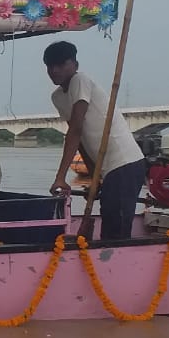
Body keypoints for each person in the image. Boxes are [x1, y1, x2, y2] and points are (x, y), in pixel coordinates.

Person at [43, 40, 146, 240]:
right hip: (107, 170)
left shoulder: (79, 80)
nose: (54, 70)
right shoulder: (57, 97)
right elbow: (79, 140)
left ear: (74, 64)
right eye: (49, 66)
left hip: (125, 163)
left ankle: (114, 265)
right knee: (109, 219)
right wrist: (94, 177)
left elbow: (76, 128)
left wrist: (61, 177)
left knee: (116, 227)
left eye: (60, 64)